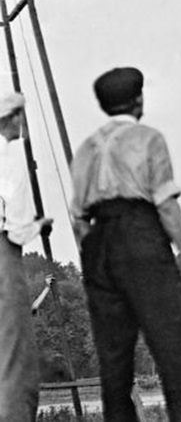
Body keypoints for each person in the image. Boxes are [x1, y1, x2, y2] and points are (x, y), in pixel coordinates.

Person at [70, 68, 181, 422]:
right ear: (139, 99)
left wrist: (96, 258)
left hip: (98, 242)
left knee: (114, 364)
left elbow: (78, 218)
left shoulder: (86, 149)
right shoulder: (149, 139)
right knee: (174, 354)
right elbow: (165, 203)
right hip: (141, 234)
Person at [0, 92, 52, 422]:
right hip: (4, 255)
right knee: (15, 358)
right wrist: (39, 227)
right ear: (11, 119)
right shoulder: (6, 158)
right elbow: (15, 227)